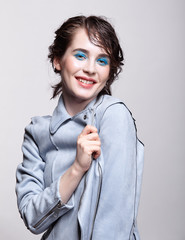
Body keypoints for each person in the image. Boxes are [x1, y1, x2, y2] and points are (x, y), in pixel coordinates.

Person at [16, 15, 144, 240]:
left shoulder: (113, 116)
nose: (91, 69)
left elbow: (115, 218)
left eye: (102, 61)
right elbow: (33, 218)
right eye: (81, 56)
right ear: (58, 60)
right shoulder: (37, 132)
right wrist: (76, 169)